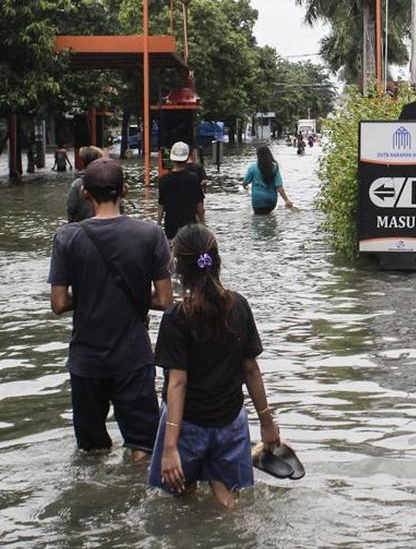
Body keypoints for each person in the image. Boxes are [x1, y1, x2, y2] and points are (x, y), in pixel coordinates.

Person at [48, 159, 173, 460]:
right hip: (133, 356)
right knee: (143, 448)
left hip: (86, 360)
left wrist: (89, 292)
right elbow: (165, 300)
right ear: (124, 191)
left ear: (85, 193)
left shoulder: (67, 237)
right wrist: (133, 293)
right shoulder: (150, 234)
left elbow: (58, 303)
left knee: (91, 452)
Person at [148, 225, 281, 508]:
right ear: (216, 261)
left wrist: (170, 447)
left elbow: (178, 383)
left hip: (187, 425)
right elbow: (251, 370)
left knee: (182, 503)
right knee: (229, 502)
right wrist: (267, 423)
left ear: (178, 267)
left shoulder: (177, 317)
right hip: (230, 421)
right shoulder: (239, 305)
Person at [157, 141, 206, 242]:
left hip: (170, 225)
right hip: (189, 225)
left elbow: (161, 205)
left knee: (172, 248)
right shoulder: (193, 179)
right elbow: (199, 205)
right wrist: (202, 224)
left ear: (172, 158)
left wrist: (158, 224)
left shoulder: (163, 180)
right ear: (187, 157)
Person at [242, 145, 295, 214]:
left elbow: (245, 182)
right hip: (271, 201)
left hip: (258, 200)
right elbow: (279, 186)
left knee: (258, 218)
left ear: (258, 155)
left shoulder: (253, 167)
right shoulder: (274, 167)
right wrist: (286, 200)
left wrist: (245, 186)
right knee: (269, 216)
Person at [66, 146, 105, 223]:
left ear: (82, 162)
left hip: (82, 226)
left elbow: (71, 208)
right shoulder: (107, 181)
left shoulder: (77, 184)